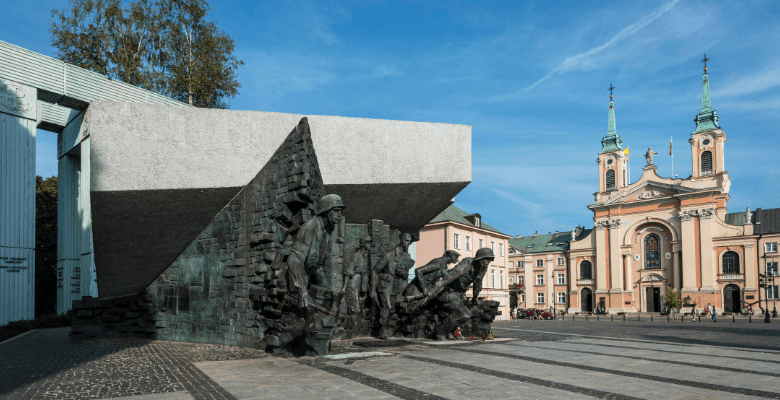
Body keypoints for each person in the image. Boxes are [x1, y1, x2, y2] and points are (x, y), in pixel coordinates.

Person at [371, 232, 413, 339]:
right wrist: (372, 288)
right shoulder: (389, 255)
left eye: (410, 241)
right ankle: (383, 332)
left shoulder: (407, 257)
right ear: (400, 240)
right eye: (406, 240)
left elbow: (406, 274)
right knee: (387, 307)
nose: (408, 243)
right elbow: (375, 271)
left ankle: (388, 330)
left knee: (393, 308)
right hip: (386, 284)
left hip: (397, 285)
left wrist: (403, 274)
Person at [343, 234, 372, 315]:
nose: (370, 245)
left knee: (360, 309)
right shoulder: (356, 255)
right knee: (354, 310)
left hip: (361, 286)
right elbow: (348, 271)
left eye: (370, 243)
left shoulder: (365, 257)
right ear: (363, 244)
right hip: (354, 284)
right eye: (368, 243)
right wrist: (344, 287)